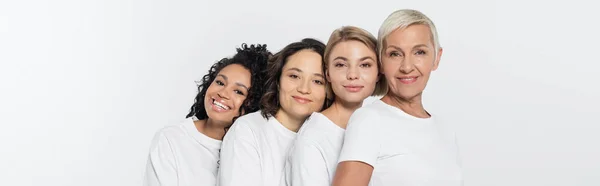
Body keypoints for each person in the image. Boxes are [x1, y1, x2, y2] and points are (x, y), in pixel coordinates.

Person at [332, 9, 464, 186]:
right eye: (395, 54)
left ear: (437, 58)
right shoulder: (369, 120)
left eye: (419, 52)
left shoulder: (445, 130)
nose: (407, 66)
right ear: (381, 62)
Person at [143, 43, 271, 186]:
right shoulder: (171, 139)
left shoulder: (255, 150)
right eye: (220, 82)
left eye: (238, 91)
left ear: (256, 103)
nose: (222, 93)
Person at [216, 38, 329, 186]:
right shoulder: (248, 130)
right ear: (278, 80)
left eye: (317, 81)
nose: (303, 89)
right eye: (294, 76)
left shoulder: (330, 138)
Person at [284, 26, 386, 186]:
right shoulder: (312, 139)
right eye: (341, 65)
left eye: (365, 65)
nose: (353, 75)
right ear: (327, 73)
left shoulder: (378, 126)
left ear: (378, 73)